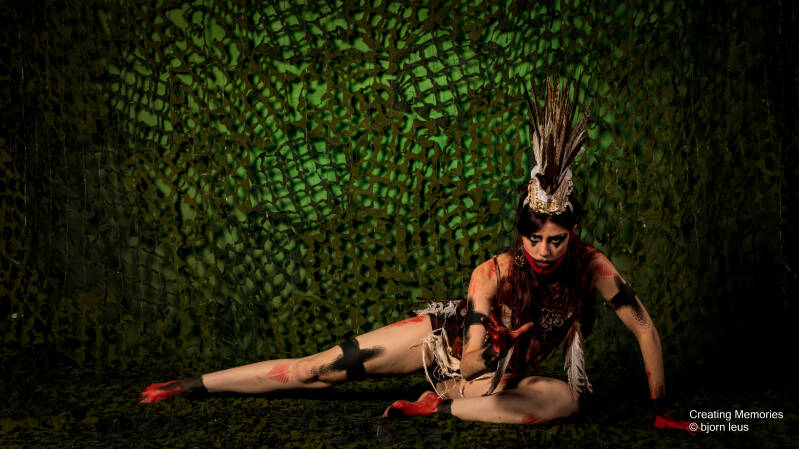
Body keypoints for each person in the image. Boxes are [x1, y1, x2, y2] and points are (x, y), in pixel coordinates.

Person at [141, 78, 690, 431]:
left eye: (557, 240)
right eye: (534, 239)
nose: (544, 252)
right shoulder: (493, 274)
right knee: (316, 369)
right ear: (520, 234)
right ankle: (193, 384)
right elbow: (469, 359)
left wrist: (661, 410)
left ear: (573, 234)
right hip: (442, 350)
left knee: (567, 403)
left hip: (497, 385)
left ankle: (441, 406)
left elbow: (644, 330)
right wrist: (496, 343)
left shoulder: (592, 266)